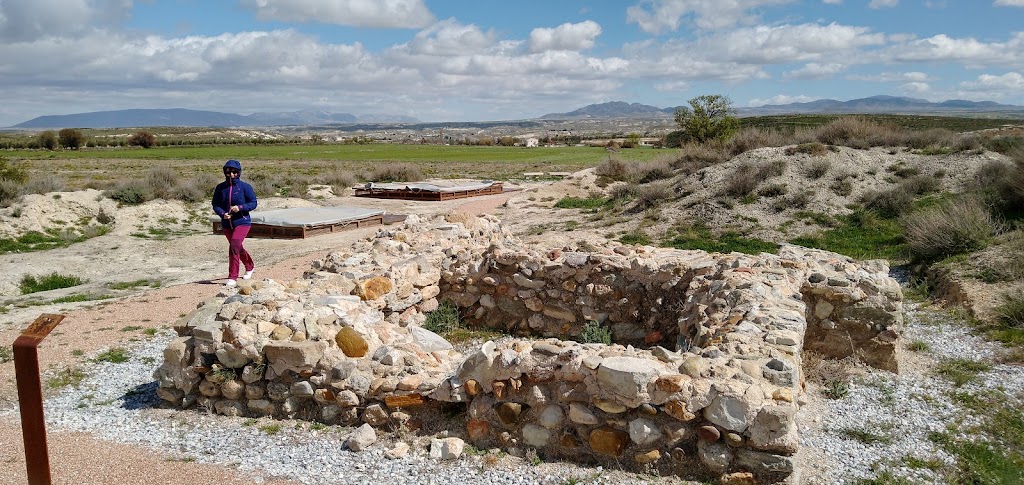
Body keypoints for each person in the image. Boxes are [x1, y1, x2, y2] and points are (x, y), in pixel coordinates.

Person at [211, 159, 257, 286]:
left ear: (239, 172)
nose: (231, 175)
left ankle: (232, 277)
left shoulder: (245, 187)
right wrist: (222, 214)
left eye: (234, 172)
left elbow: (253, 203)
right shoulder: (220, 188)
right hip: (227, 223)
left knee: (235, 244)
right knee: (236, 247)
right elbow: (215, 204)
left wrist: (240, 208)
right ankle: (250, 265)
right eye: (228, 172)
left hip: (242, 221)